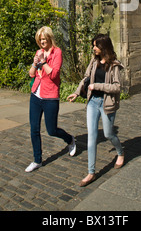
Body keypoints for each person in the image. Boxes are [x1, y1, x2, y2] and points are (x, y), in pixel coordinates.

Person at [67, 34, 124, 186]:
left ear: (104, 47)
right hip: (92, 102)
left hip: (107, 104)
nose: (93, 48)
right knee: (91, 138)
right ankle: (91, 173)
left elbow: (117, 87)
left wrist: (97, 86)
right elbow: (86, 78)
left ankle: (120, 152)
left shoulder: (114, 65)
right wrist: (77, 92)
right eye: (93, 45)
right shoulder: (94, 61)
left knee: (108, 134)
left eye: (96, 46)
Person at [25, 26, 76, 172]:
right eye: (40, 39)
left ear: (49, 38)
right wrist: (35, 63)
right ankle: (37, 160)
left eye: (44, 39)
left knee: (51, 130)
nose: (41, 42)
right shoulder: (39, 52)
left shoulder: (57, 52)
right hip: (36, 94)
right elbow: (31, 74)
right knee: (34, 129)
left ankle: (70, 139)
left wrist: (44, 62)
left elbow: (54, 75)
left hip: (50, 96)